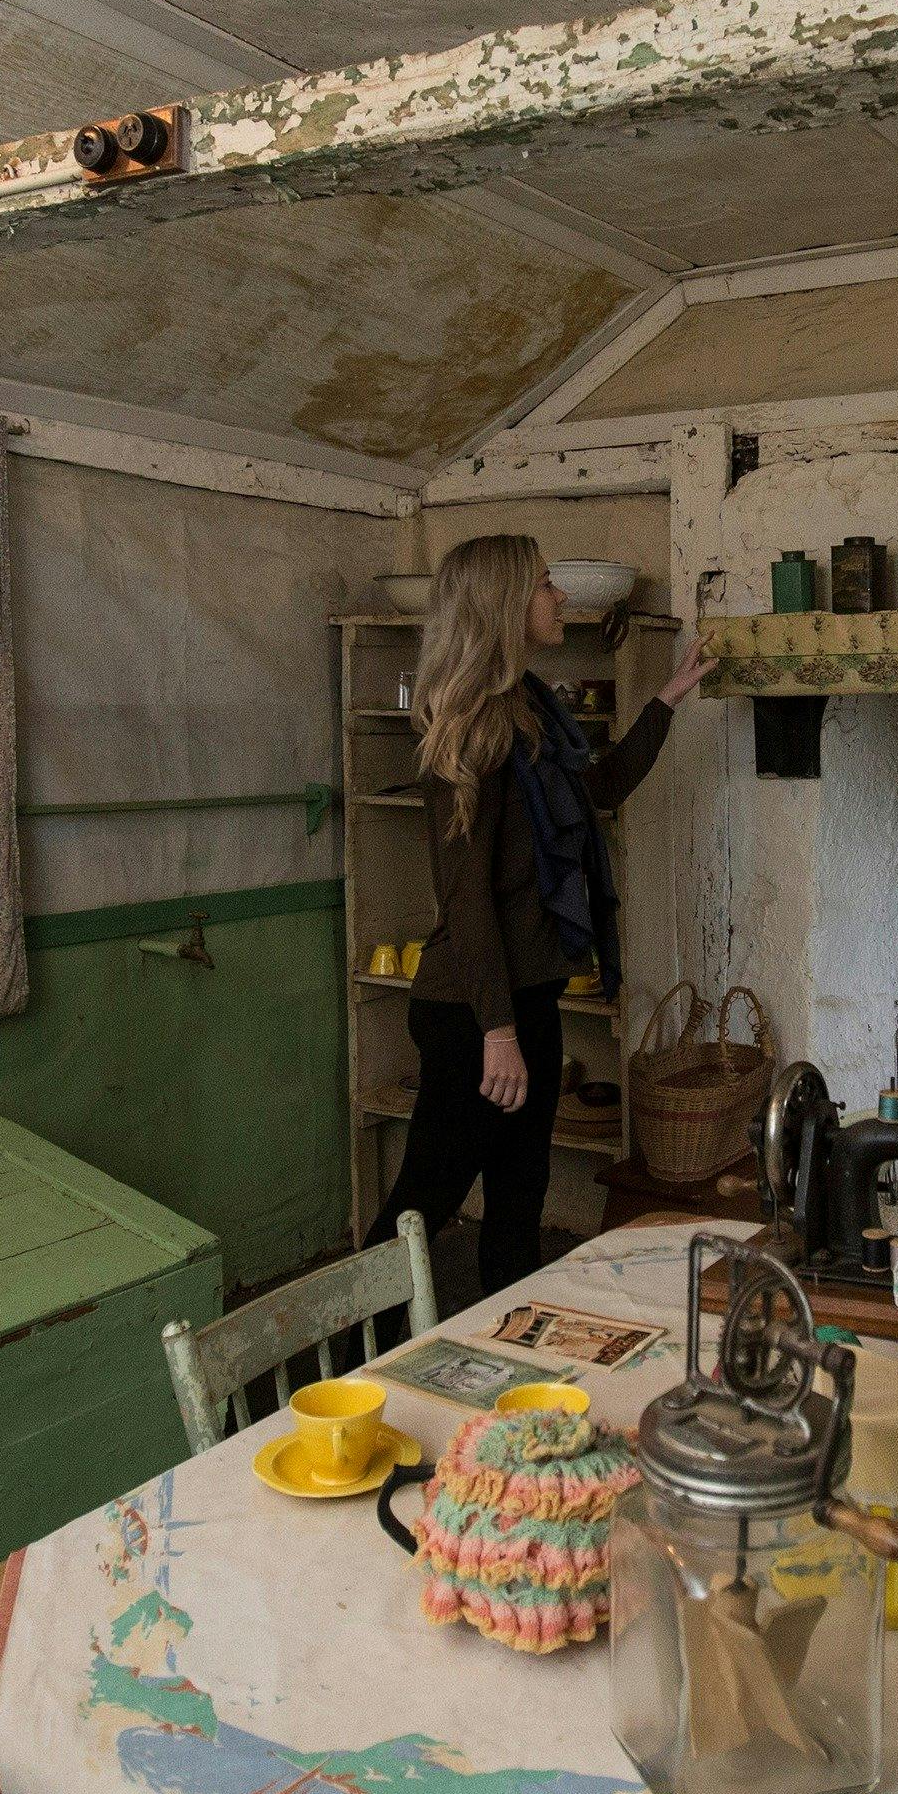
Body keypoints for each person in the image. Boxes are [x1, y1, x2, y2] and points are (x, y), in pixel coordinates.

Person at [374, 534, 711, 1294]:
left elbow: (598, 791)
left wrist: (668, 698)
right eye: (544, 585)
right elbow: (466, 898)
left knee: (519, 1199)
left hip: (525, 996)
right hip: (471, 1011)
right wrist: (498, 1033)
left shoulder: (529, 710)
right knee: (421, 1207)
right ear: (503, 605)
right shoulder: (470, 727)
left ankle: (507, 1340)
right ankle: (359, 1345)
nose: (559, 597)